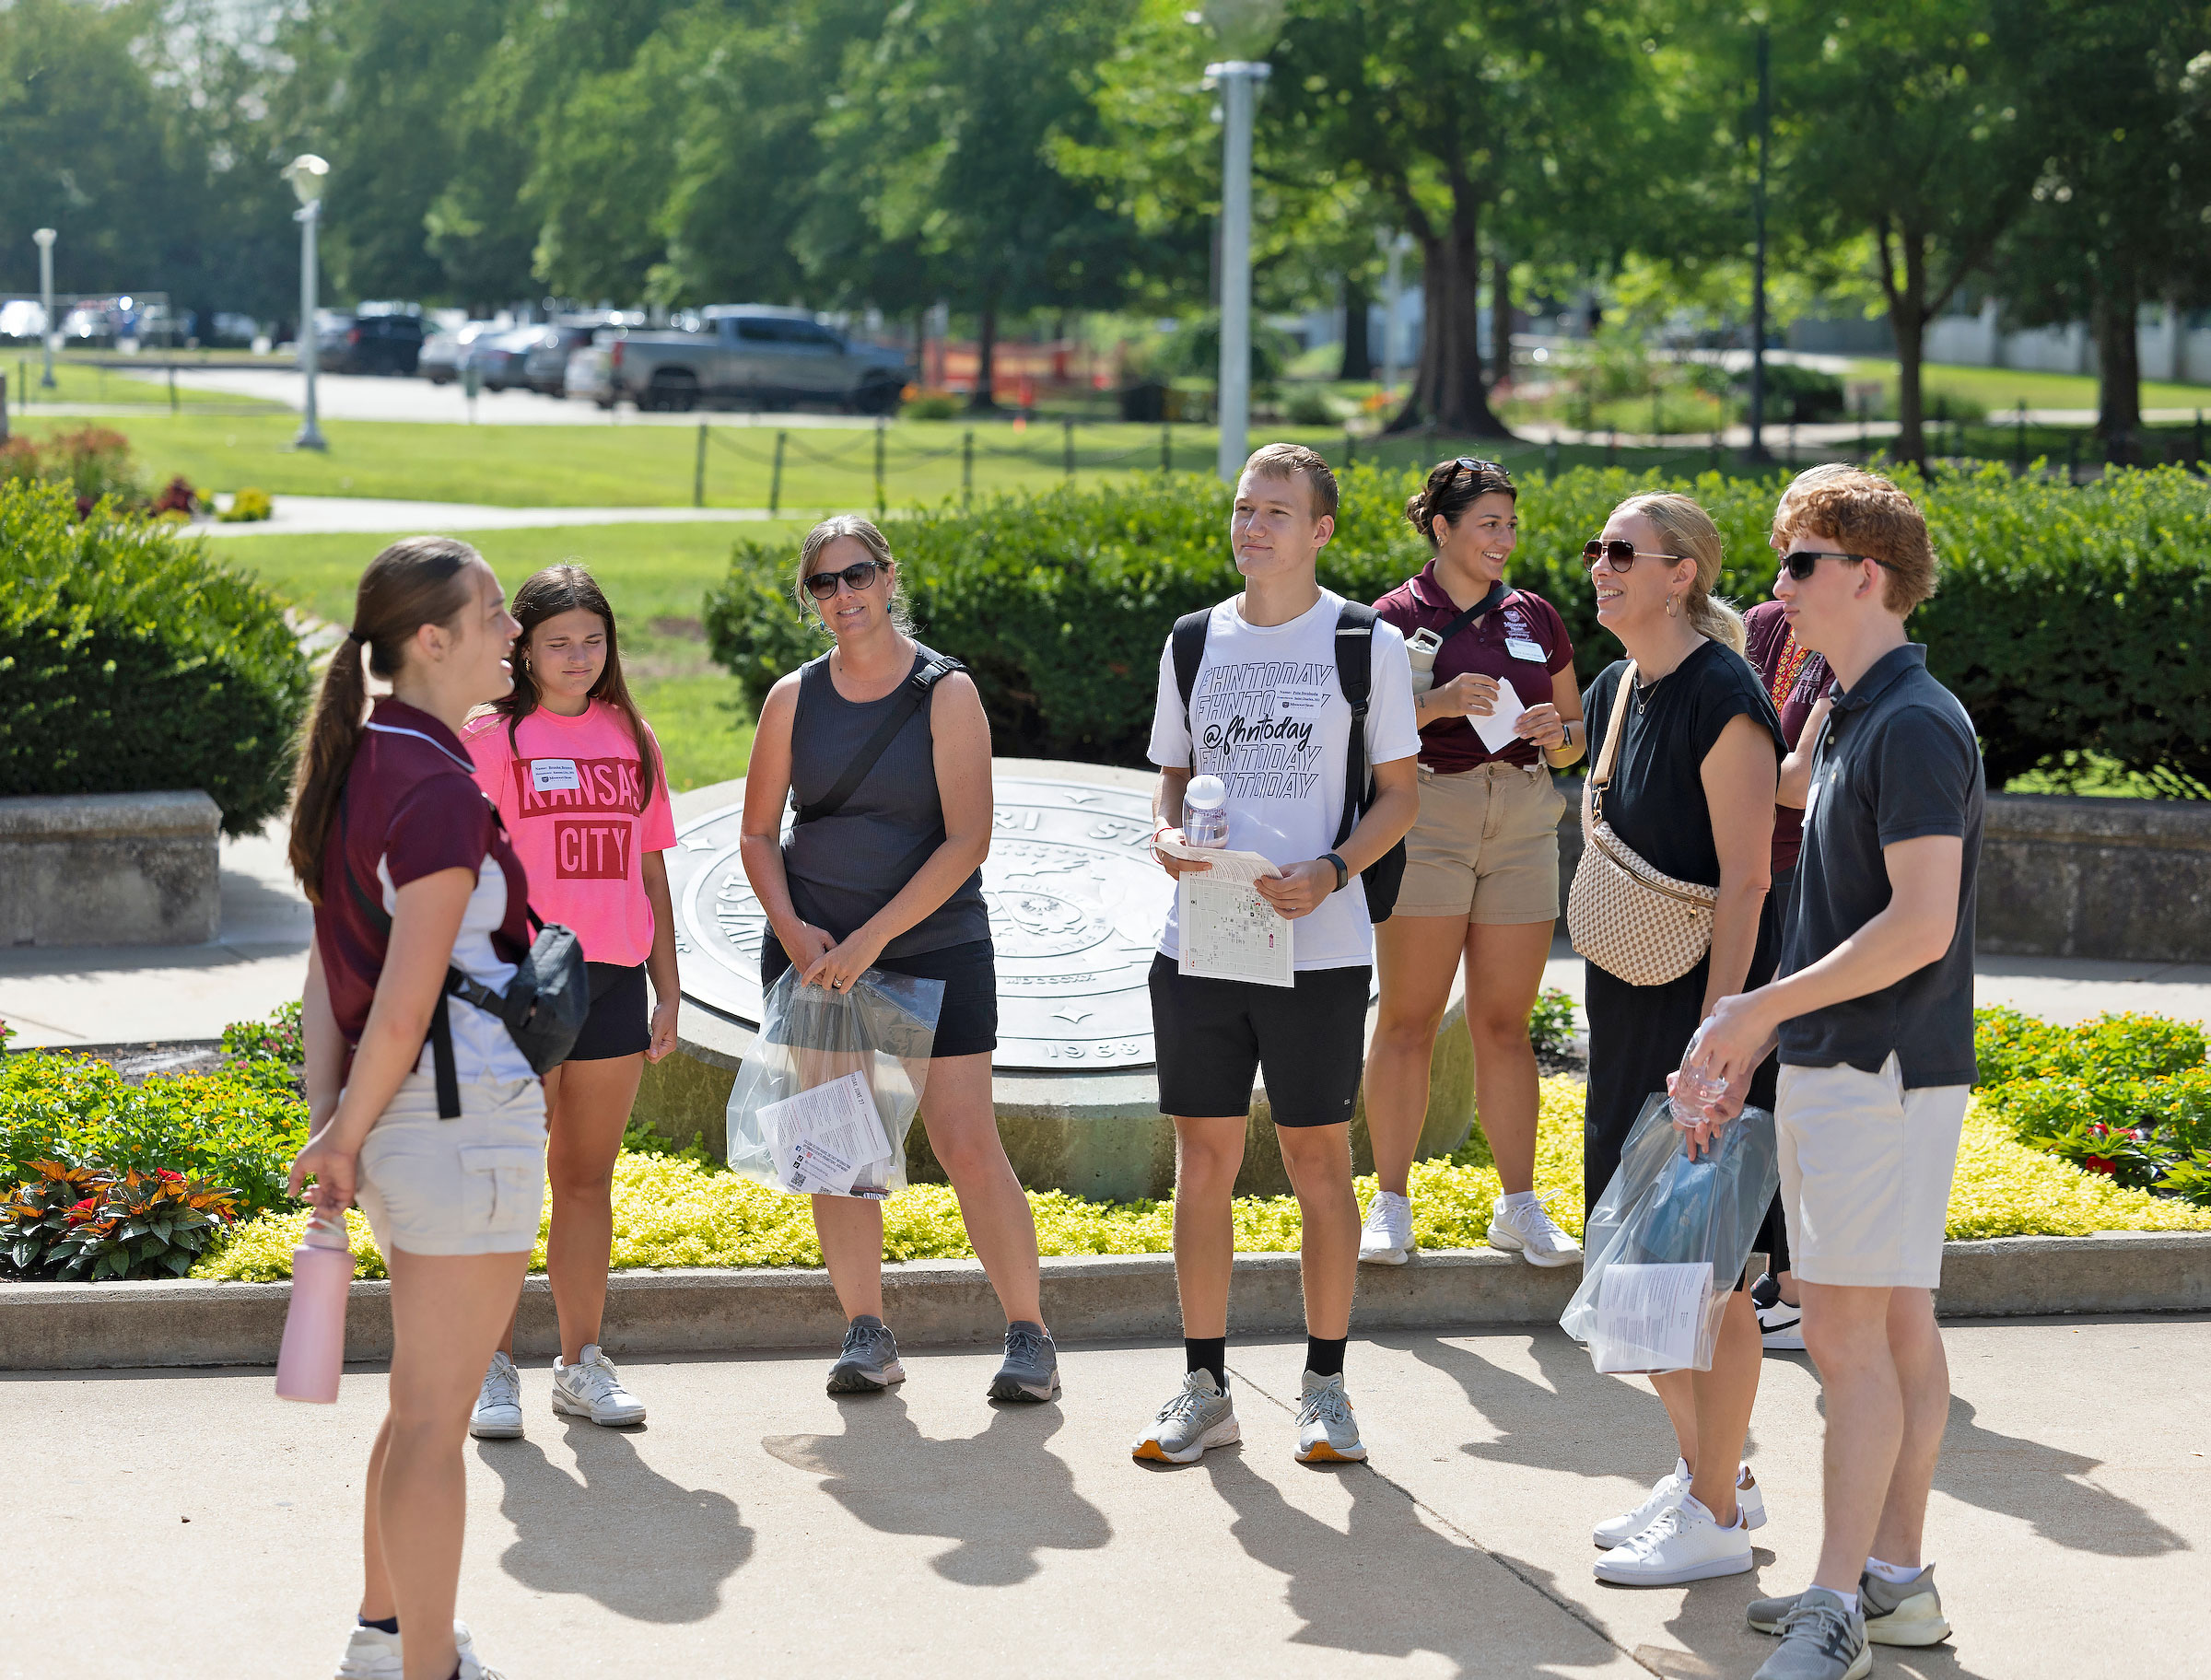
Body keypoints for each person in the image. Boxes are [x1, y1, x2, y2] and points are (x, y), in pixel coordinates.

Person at [1686, 470, 1978, 1680]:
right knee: (1894, 1324)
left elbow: (1919, 923)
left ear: (1867, 572)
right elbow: (1792, 794)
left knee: (1850, 1343)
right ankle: (1897, 1582)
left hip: (1879, 1066)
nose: (1777, 589)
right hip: (1857, 1065)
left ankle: (1837, 1601)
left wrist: (1755, 1009)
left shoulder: (1910, 723)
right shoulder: (1863, 709)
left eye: (1798, 564)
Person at [1133, 442, 1420, 1466]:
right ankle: (1204, 1386)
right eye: (1245, 509)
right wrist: (1167, 838)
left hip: (1321, 945)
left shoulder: (1363, 642)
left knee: (1315, 1162)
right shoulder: (1192, 640)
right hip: (1202, 942)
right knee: (1202, 1163)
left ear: (1321, 531)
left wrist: (1335, 870)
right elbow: (1172, 776)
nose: (1253, 527)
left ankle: (1326, 1387)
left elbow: (1400, 795)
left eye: (1277, 513)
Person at [739, 514, 1058, 1404]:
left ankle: (1028, 1332)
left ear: (889, 576)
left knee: (965, 1140)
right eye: (824, 584)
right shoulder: (792, 699)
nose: (844, 596)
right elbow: (760, 834)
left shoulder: (944, 693)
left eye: (858, 576)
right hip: (814, 950)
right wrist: (800, 934)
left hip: (933, 942)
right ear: (811, 599)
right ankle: (865, 1332)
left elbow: (968, 840)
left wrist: (873, 939)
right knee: (834, 1145)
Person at [287, 537, 532, 1680]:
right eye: (492, 613)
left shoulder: (369, 760)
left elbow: (328, 977)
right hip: (458, 1116)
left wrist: (337, 1121)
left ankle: (386, 1638)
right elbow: (402, 996)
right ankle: (422, 1666)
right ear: (430, 641)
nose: (513, 631)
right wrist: (339, 1130)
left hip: (410, 1125)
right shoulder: (431, 784)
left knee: (418, 1403)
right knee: (436, 1418)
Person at [1573, 494, 1788, 1589]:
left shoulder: (1722, 693)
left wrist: (1721, 1034)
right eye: (1597, 551)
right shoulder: (1619, 691)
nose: (1600, 567)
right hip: (1628, 1014)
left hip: (1706, 1015)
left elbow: (1748, 879)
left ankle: (1714, 1512)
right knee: (1639, 1272)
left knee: (1701, 1280)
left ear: (1684, 575)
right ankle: (1715, 1476)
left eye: (1623, 553)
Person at [462, 565, 679, 1439]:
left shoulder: (632, 733)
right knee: (507, 1181)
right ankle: (492, 1369)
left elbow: (652, 868)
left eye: (593, 640)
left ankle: (580, 1365)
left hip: (613, 980)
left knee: (585, 1181)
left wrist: (670, 987)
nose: (578, 658)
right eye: (558, 642)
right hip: (515, 981)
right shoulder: (492, 735)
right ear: (523, 645)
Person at [1365, 456, 1585, 1269]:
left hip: (1524, 815)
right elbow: (1364, 733)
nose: (1504, 539)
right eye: (1488, 524)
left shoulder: (1538, 615)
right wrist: (1440, 703)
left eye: (1511, 525)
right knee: (1410, 1019)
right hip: (1428, 813)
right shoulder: (1391, 618)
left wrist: (1552, 733)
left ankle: (1518, 1207)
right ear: (1442, 527)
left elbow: (1575, 738)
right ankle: (1388, 1203)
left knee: (1504, 1025)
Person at [1743, 467, 1847, 1352]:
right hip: (1749, 872)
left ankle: (1794, 1287)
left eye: (1800, 554)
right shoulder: (1769, 625)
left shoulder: (1859, 652)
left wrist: (1764, 779)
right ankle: (1778, 1282)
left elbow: (1796, 781)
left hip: (1804, 886)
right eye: (1782, 548)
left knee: (1792, 1085)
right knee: (1760, 1082)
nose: (1781, 578)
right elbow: (1751, 756)